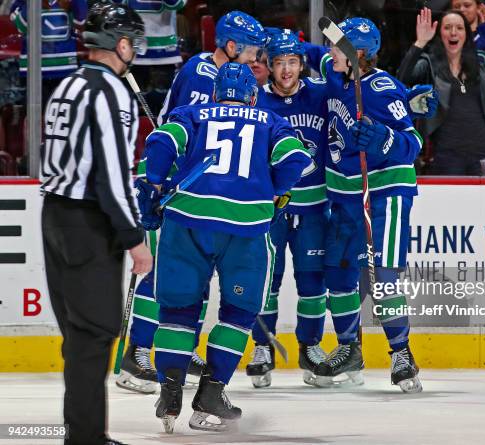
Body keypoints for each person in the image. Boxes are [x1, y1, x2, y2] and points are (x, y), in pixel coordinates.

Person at [138, 62, 310, 432]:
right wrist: (276, 189)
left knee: (177, 312)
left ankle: (170, 393)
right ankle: (212, 392)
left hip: (188, 221)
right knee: (238, 313)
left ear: (216, 93)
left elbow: (161, 143)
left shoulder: (192, 112)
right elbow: (297, 159)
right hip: (245, 228)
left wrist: (154, 186)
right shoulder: (269, 120)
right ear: (252, 95)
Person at [117, 9, 267, 393]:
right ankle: (138, 354)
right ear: (231, 47)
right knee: (161, 271)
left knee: (192, 277)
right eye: (251, 52)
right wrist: (160, 184)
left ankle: (178, 351)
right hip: (167, 182)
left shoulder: (231, 81)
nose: (256, 60)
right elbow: (179, 131)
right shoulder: (201, 72)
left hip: (196, 190)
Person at [40, 4, 152, 444]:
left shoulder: (68, 83)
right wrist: (134, 237)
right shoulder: (111, 92)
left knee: (79, 334)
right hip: (89, 222)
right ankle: (85, 438)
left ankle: (84, 433)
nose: (136, 51)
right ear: (121, 44)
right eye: (133, 42)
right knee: (94, 334)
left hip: (55, 215)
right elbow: (112, 174)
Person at [303, 18, 423, 392]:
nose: (330, 53)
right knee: (341, 274)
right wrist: (288, 41)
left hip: (383, 195)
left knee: (383, 278)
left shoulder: (381, 89)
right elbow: (315, 54)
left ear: (359, 55)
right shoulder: (337, 71)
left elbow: (412, 141)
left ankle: (401, 353)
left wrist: (383, 139)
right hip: (346, 195)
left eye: (337, 48)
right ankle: (350, 348)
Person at [245, 31, 330, 388]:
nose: (285, 70)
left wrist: (310, 45)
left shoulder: (321, 93)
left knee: (313, 281)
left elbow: (345, 66)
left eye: (292, 62)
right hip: (273, 209)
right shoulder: (256, 102)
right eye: (278, 62)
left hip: (313, 208)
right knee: (267, 281)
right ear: (268, 65)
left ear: (301, 64)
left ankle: (310, 347)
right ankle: (262, 347)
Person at [397, 8, 485, 175]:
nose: (453, 33)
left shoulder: (479, 65)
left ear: (466, 33)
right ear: (439, 33)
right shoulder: (429, 64)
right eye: (447, 27)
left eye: (459, 28)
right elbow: (401, 80)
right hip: (446, 156)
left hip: (483, 155)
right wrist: (420, 42)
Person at [10, 0, 88, 107]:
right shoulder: (21, 2)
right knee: (35, 118)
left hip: (65, 68)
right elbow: (21, 27)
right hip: (34, 70)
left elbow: (81, 23)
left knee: (62, 114)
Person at [121, 0, 187, 108]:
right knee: (132, 107)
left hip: (164, 54)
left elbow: (177, 3)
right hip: (133, 51)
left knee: (164, 107)